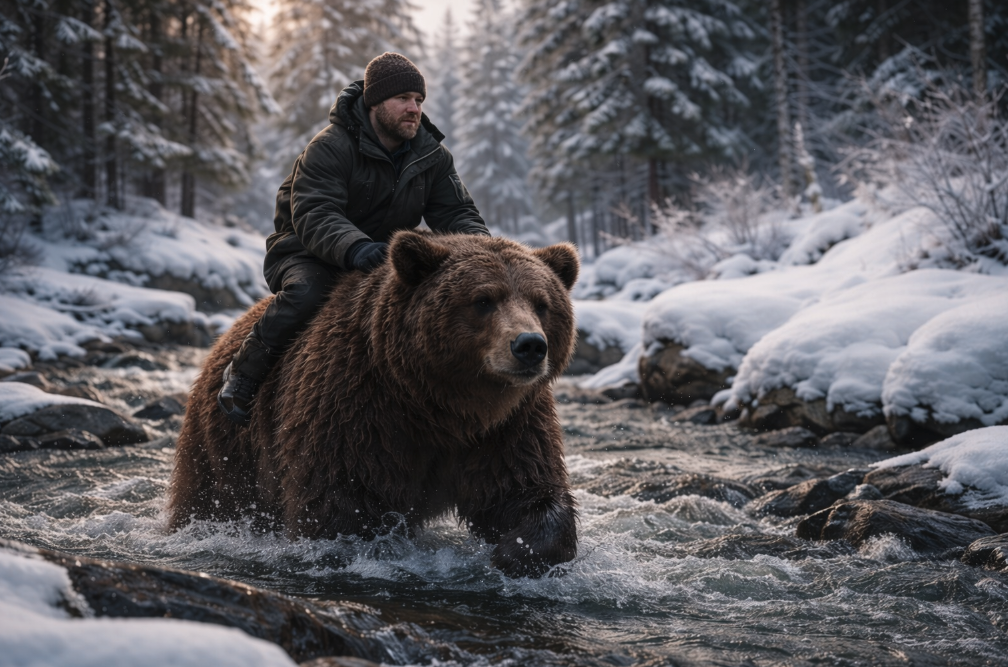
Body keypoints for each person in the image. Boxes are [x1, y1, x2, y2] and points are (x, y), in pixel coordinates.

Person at [218, 52, 489, 426]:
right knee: (307, 295)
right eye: (404, 99)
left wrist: (485, 256)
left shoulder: (432, 155)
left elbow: (457, 214)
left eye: (419, 100)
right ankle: (244, 374)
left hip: (381, 256)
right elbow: (316, 213)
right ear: (374, 102)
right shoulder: (330, 146)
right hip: (307, 251)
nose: (414, 108)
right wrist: (357, 248)